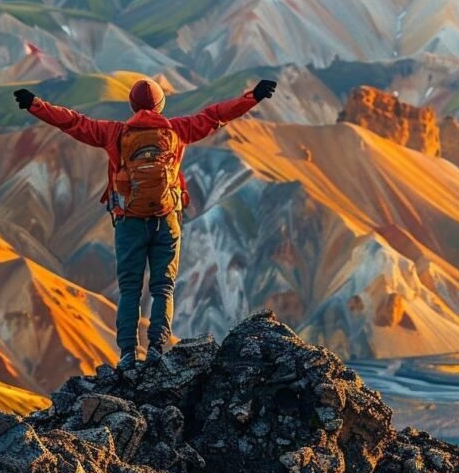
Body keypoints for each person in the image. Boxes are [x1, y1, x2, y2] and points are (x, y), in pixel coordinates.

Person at [14, 77, 277, 368]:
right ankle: (156, 348)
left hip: (129, 221)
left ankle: (128, 353)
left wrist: (35, 105)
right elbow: (215, 115)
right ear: (161, 106)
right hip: (167, 220)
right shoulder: (177, 130)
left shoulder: (114, 133)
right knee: (163, 286)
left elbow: (73, 122)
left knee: (130, 288)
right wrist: (252, 97)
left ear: (132, 105)